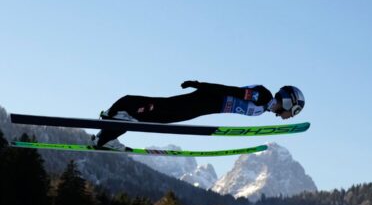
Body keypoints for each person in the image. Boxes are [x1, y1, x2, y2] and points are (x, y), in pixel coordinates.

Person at [92, 81, 305, 150]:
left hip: (205, 107)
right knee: (161, 111)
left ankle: (104, 138)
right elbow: (231, 90)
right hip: (205, 100)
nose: (291, 116)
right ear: (288, 102)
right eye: (294, 111)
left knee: (162, 116)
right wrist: (200, 85)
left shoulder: (264, 107)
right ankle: (121, 111)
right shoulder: (264, 96)